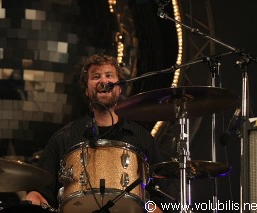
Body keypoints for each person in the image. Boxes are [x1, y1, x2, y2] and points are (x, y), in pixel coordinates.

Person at [25, 54, 165, 213]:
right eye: (96, 76)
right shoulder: (63, 138)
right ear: (86, 90)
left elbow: (159, 198)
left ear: (119, 89)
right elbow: (40, 193)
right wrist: (33, 200)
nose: (103, 81)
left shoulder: (142, 139)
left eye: (109, 75)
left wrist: (149, 207)